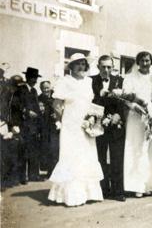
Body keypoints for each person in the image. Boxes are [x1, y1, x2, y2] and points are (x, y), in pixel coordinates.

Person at [48, 53, 104, 206]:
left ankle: (88, 193)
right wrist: (65, 121)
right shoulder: (64, 81)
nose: (81, 67)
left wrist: (91, 118)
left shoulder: (88, 81)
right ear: (71, 66)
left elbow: (90, 103)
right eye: (78, 64)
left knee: (87, 156)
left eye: (83, 64)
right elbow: (57, 105)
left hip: (86, 125)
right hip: (71, 126)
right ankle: (71, 196)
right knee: (71, 156)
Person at [123, 51, 152, 197]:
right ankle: (136, 185)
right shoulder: (130, 78)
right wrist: (135, 107)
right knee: (135, 148)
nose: (145, 63)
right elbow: (126, 97)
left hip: (150, 116)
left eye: (148, 61)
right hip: (135, 117)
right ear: (137, 62)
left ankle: (149, 184)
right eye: (142, 60)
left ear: (151, 62)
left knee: (149, 149)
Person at [91, 55, 127, 202]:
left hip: (116, 124)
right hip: (98, 124)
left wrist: (118, 115)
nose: (106, 70)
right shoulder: (91, 81)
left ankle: (118, 191)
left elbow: (125, 102)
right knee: (100, 157)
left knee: (117, 157)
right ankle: (103, 189)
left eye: (109, 67)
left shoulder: (120, 81)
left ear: (113, 67)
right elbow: (89, 101)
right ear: (98, 67)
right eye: (103, 67)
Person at [11, 67, 42, 184]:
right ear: (27, 78)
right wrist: (26, 111)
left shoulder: (34, 91)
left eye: (35, 78)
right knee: (23, 151)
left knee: (33, 151)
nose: (34, 80)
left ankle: (33, 175)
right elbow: (15, 105)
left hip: (33, 126)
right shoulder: (20, 90)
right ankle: (22, 177)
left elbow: (37, 108)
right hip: (23, 124)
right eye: (32, 78)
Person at [38, 81, 60, 178]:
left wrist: (57, 115)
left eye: (47, 88)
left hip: (55, 126)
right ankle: (49, 171)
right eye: (44, 88)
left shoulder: (56, 97)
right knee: (46, 148)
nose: (46, 90)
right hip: (44, 127)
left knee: (54, 148)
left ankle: (55, 171)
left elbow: (62, 109)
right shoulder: (39, 98)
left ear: (50, 87)